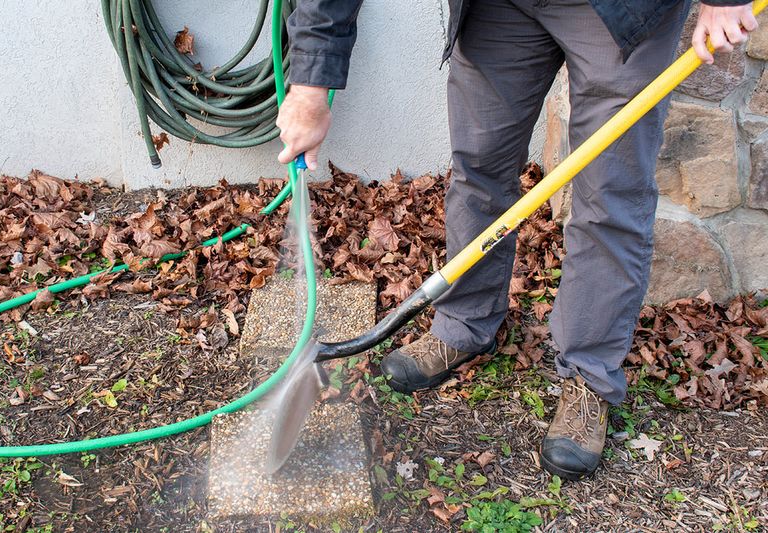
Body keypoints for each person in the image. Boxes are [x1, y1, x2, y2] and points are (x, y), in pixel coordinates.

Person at [275, 0, 759, 480]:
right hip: (500, 8)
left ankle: (589, 375)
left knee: (610, 195)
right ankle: (464, 324)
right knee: (478, 168)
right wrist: (310, 84)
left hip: (622, 12)